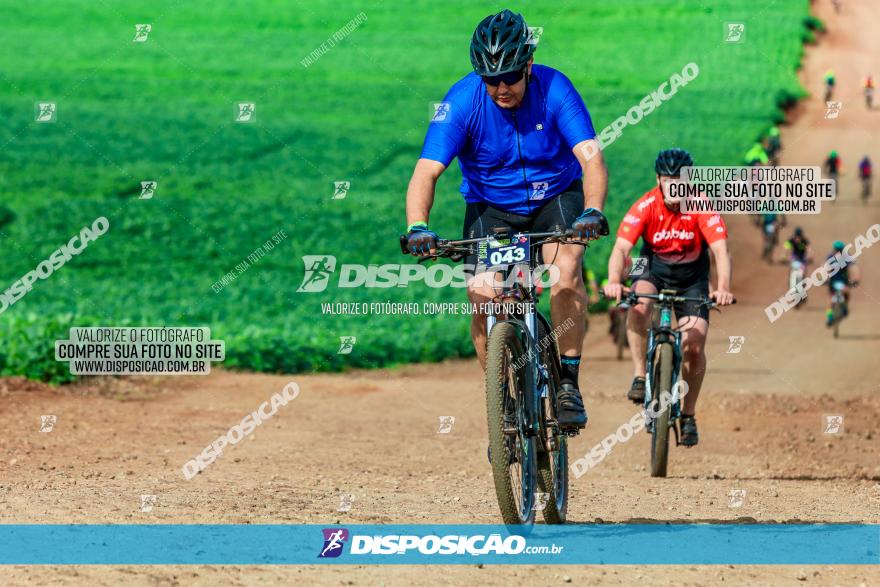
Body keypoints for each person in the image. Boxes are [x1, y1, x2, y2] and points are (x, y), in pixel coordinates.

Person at [404, 9, 609, 430]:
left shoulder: (556, 89)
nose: (501, 87)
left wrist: (593, 210)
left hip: (555, 198)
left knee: (566, 272)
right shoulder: (460, 101)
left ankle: (568, 381)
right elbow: (426, 170)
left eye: (511, 76)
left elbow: (591, 157)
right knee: (482, 299)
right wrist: (417, 227)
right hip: (491, 209)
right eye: (490, 79)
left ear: (528, 65)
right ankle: (503, 405)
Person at [603, 148, 734, 446]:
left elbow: (720, 251)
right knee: (637, 304)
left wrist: (722, 286)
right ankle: (639, 374)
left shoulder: (701, 204)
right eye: (667, 179)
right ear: (658, 180)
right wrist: (613, 281)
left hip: (693, 278)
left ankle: (688, 415)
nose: (674, 185)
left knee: (695, 346)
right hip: (652, 268)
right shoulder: (647, 204)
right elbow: (621, 249)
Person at [826, 240, 861, 327]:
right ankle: (836, 313)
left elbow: (854, 268)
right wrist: (856, 279)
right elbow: (825, 268)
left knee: (832, 299)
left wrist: (856, 277)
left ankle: (831, 316)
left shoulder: (832, 256)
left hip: (838, 280)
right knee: (843, 295)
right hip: (839, 281)